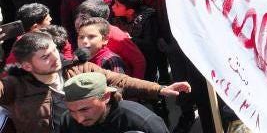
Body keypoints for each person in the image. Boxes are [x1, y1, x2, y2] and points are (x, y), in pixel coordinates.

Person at [1, 32, 189, 133]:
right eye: (44, 57)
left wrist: (159, 89)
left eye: (53, 50)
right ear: (26, 66)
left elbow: (119, 80)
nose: (55, 58)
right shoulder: (13, 86)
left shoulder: (78, 68)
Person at [59, 71, 170, 132]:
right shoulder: (67, 120)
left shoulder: (142, 122)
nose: (79, 119)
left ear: (106, 97)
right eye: (72, 111)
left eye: (84, 109)